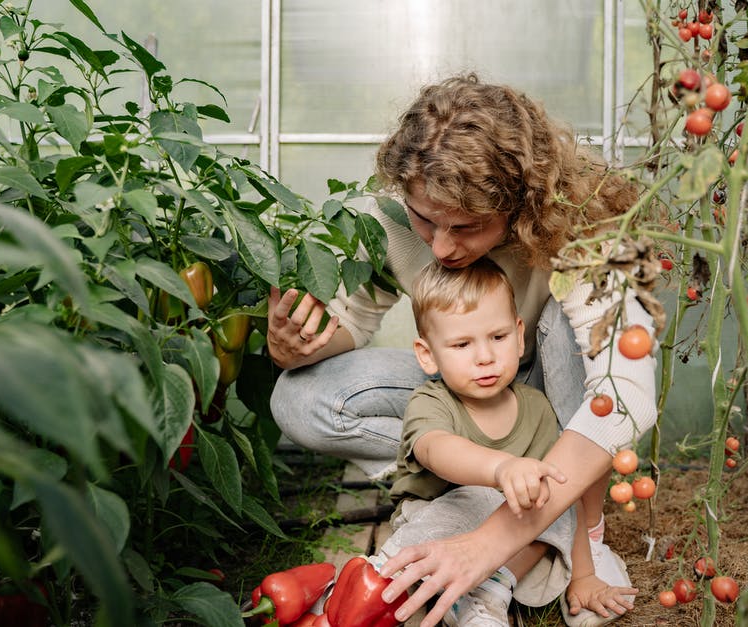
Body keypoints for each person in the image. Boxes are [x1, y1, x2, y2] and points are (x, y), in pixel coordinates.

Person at [266, 73, 659, 626]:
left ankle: (578, 532)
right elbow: (352, 321)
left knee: (572, 331)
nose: (443, 247)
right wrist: (292, 348)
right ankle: (473, 486)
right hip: (461, 396)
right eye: (427, 220)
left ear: (521, 203)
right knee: (300, 400)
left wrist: (483, 548)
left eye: (467, 227)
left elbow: (628, 396)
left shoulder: (584, 224)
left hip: (552, 402)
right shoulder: (394, 215)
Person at [369, 259, 628, 626]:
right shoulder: (431, 402)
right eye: (462, 344)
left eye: (498, 337)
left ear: (519, 334)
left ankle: (490, 591)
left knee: (551, 495)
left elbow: (562, 499)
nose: (485, 357)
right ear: (428, 354)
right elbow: (436, 449)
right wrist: (501, 468)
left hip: (506, 539)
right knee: (482, 495)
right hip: (440, 519)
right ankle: (379, 571)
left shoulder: (536, 408)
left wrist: (583, 575)